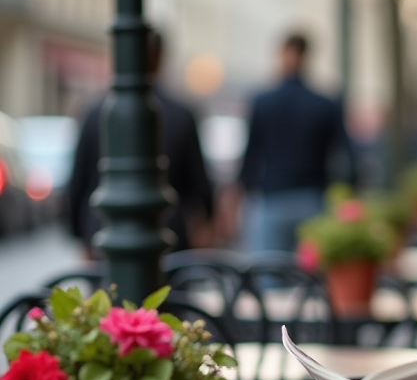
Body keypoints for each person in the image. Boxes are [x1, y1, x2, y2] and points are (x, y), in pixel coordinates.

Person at [68, 28, 215, 256]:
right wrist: (207, 219)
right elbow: (199, 182)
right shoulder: (181, 115)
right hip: (168, 234)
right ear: (159, 58)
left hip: (103, 233)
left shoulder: (96, 113)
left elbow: (79, 182)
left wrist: (79, 235)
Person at [237, 32, 354, 254]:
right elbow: (347, 157)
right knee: (313, 279)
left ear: (282, 54)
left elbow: (251, 156)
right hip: (313, 201)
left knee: (269, 278)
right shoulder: (325, 104)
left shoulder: (263, 102)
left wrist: (245, 193)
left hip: (272, 200)